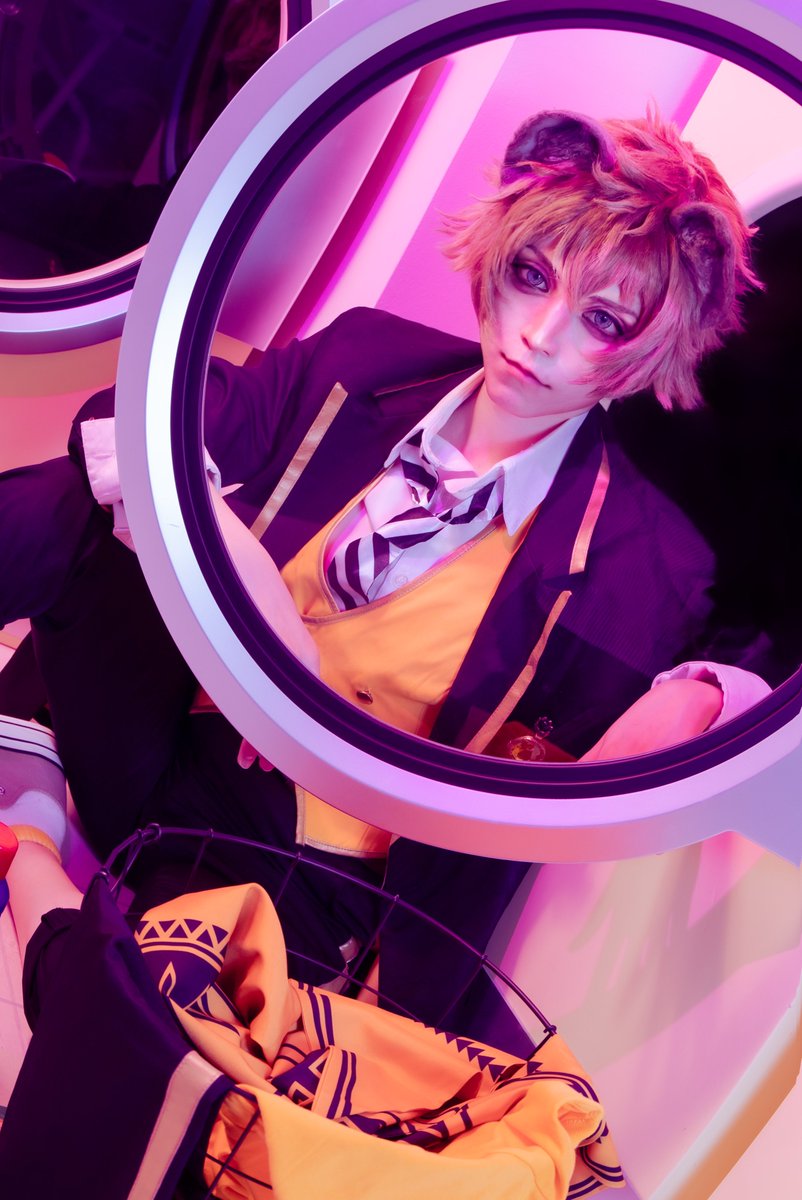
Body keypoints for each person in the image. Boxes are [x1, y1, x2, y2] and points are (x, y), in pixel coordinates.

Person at [0, 109, 770, 1043]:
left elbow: (748, 681)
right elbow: (135, 416)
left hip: (299, 864)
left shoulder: (642, 557)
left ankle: (36, 871)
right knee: (76, 503)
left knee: (146, 1034)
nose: (539, 335)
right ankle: (45, 859)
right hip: (165, 733)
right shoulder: (369, 360)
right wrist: (265, 635)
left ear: (648, 355)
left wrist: (703, 692)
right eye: (532, 277)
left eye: (601, 321)